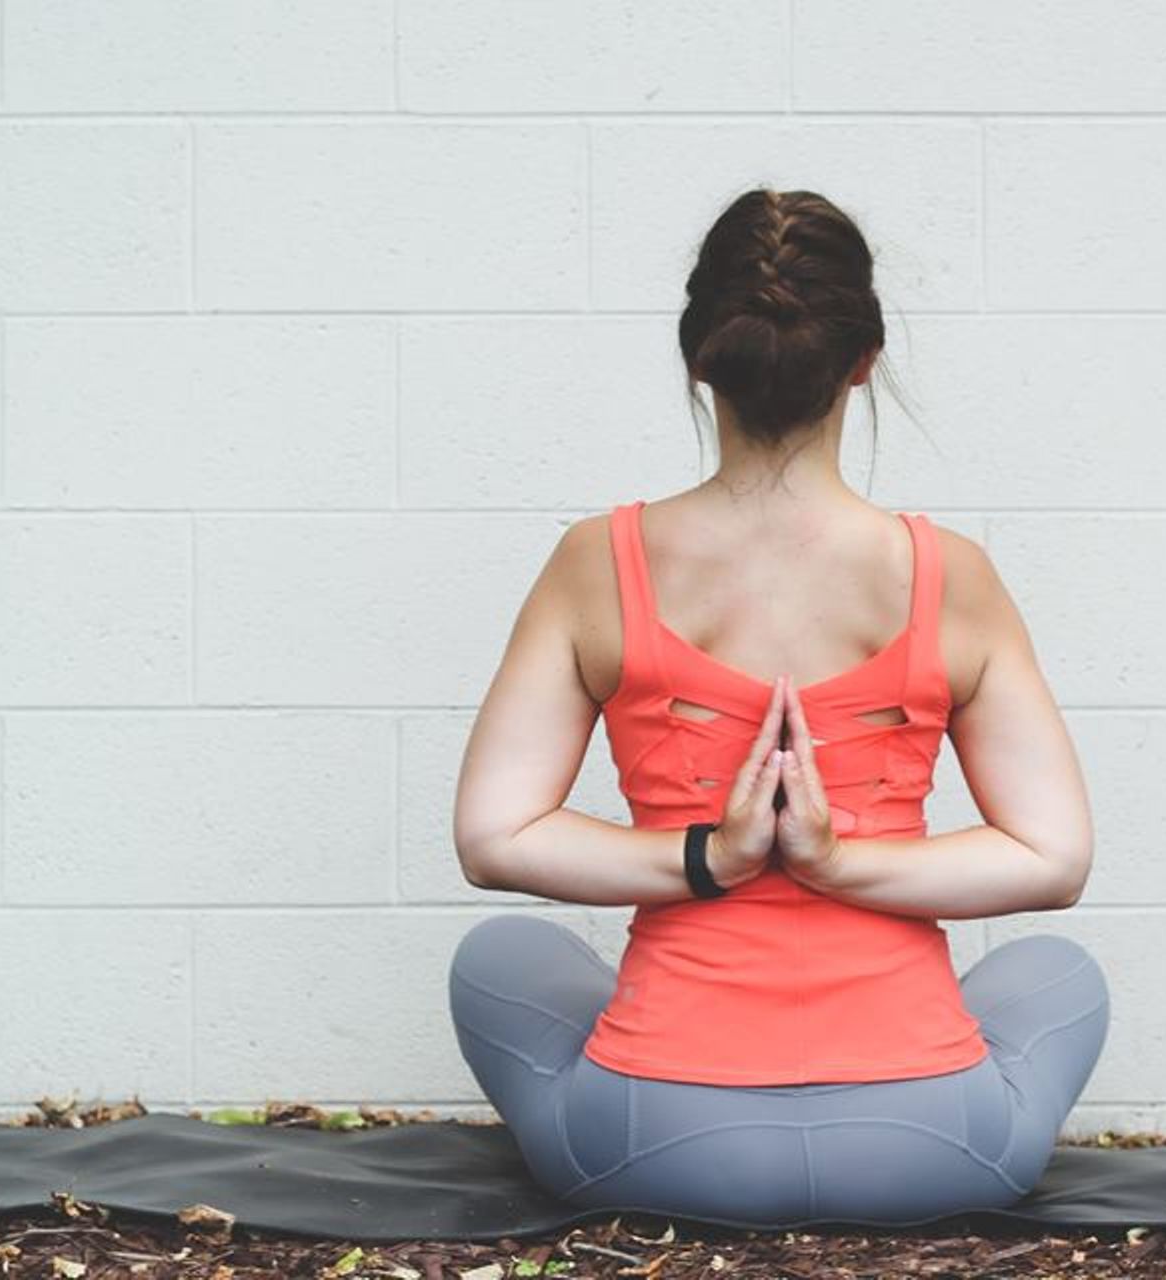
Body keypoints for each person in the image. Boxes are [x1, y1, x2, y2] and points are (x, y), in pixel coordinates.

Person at [447, 188, 1106, 1229]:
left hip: (658, 1141)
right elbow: (1053, 858)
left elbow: (494, 835)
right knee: (1057, 978)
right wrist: (843, 863)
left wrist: (711, 855)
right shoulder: (951, 574)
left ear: (699, 356)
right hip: (933, 1144)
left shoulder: (595, 563)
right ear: (863, 360)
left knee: (497, 961)